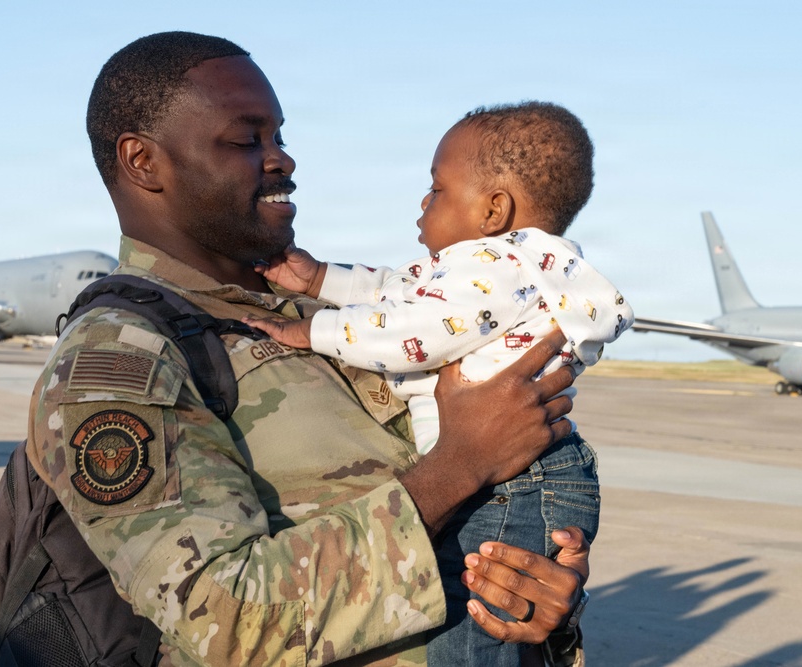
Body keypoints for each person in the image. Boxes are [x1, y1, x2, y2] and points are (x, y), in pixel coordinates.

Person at [26, 31, 591, 667]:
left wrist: (533, 596)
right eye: (247, 140)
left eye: (280, 137)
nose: (283, 160)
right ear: (143, 162)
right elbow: (224, 620)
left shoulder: (335, 313)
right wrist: (461, 466)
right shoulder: (120, 358)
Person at [246, 102, 634, 665]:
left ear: (494, 210)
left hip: (512, 482)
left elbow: (411, 327)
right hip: (520, 476)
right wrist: (321, 278)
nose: (424, 204)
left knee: (468, 636)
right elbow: (402, 290)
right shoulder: (495, 268)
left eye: (437, 189)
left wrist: (312, 330)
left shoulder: (493, 269)